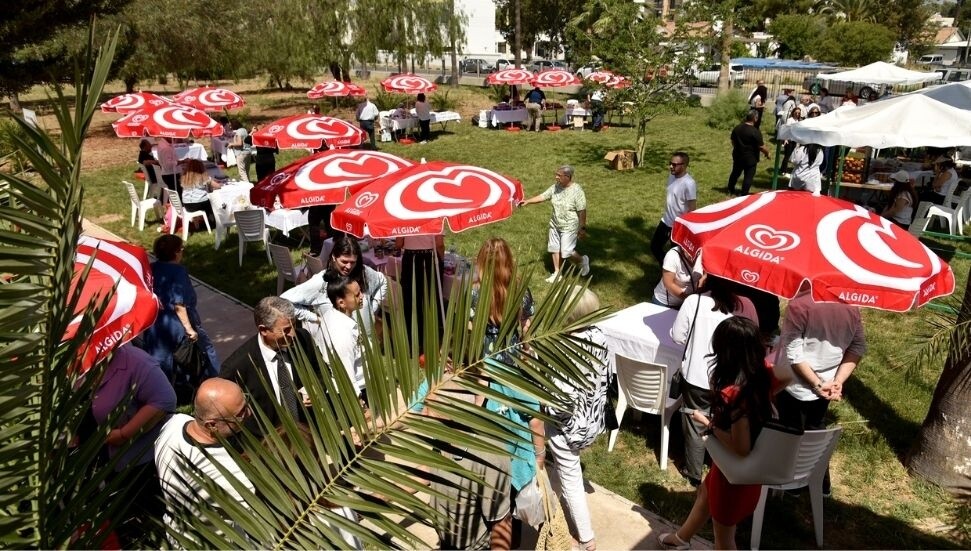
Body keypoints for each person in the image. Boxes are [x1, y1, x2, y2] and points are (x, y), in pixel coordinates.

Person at [659, 317, 775, 550]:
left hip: (731, 477)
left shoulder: (733, 395)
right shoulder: (763, 376)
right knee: (704, 493)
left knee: (723, 541)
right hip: (746, 471)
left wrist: (709, 424)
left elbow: (741, 448)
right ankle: (682, 539)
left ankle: (682, 539)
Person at [470, 237, 541, 548]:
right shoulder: (521, 293)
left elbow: (470, 339)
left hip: (487, 377)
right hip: (516, 375)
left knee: (489, 449)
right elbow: (528, 336)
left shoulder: (474, 296)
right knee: (520, 444)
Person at [774, 288, 866, 497]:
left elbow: (794, 353)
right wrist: (838, 381)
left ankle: (793, 486)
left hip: (795, 385)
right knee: (816, 429)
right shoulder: (850, 305)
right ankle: (820, 483)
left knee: (791, 434)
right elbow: (858, 346)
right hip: (827, 385)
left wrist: (817, 384)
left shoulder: (800, 305)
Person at [670, 275, 758, 486]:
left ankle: (693, 471)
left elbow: (678, 335)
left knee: (694, 423)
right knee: (727, 423)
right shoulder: (746, 304)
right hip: (734, 380)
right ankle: (719, 463)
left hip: (697, 375)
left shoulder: (695, 301)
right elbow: (753, 337)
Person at [90, 344, 176, 546]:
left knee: (150, 521)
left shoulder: (135, 362)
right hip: (105, 462)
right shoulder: (81, 363)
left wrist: (124, 434)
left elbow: (164, 400)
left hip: (141, 463)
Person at [544, 287, 609, 551]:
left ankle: (586, 538)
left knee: (571, 479)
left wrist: (542, 407)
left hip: (568, 426)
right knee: (567, 472)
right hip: (592, 418)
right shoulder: (598, 334)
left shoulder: (566, 348)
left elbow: (560, 400)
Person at [154, 378, 254, 544]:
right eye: (240, 413)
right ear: (212, 425)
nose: (249, 413)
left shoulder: (173, 425)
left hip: (177, 535)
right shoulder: (230, 475)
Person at [219, 297, 320, 434]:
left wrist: (315, 388)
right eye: (285, 330)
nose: (293, 334)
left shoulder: (303, 340)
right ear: (263, 330)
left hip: (309, 433)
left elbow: (321, 372)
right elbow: (229, 416)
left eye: (294, 325)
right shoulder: (237, 367)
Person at [141, 234, 220, 382]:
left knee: (159, 361)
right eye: (181, 249)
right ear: (176, 252)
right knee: (202, 352)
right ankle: (212, 383)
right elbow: (179, 305)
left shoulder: (151, 268)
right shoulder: (178, 272)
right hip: (176, 324)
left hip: (155, 323)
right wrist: (189, 329)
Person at [282, 235, 387, 337]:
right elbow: (284, 301)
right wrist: (314, 318)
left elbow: (382, 281)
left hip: (367, 340)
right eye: (344, 261)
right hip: (340, 343)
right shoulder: (321, 282)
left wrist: (373, 306)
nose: (349, 266)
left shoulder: (363, 273)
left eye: (353, 262)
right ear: (334, 257)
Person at [518, 165, 590, 281]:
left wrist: (582, 228)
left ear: (567, 177)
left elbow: (582, 210)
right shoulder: (556, 187)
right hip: (555, 224)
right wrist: (528, 201)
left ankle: (582, 261)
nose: (556, 177)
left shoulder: (577, 191)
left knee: (566, 251)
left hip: (569, 226)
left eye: (559, 175)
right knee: (554, 248)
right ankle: (557, 273)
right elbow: (543, 196)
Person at [318, 269, 366, 401]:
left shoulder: (335, 316)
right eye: (357, 295)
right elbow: (345, 371)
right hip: (353, 395)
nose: (362, 296)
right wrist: (360, 403)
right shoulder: (341, 332)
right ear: (341, 302)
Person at [395, 233, 445, 352]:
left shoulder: (404, 216)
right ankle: (430, 338)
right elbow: (439, 244)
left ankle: (411, 339)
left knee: (410, 300)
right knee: (430, 299)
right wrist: (441, 260)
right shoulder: (435, 215)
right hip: (429, 258)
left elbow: (398, 243)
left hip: (410, 258)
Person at [651, 152, 697, 264]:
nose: (671, 166)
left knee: (676, 257)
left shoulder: (689, 184)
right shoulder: (671, 175)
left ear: (684, 165)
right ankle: (665, 271)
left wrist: (687, 229)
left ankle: (673, 276)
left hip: (678, 226)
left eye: (675, 164)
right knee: (654, 247)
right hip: (666, 220)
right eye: (670, 163)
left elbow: (692, 209)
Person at [727, 111, 770, 196]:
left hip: (738, 155)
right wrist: (767, 153)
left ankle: (730, 189)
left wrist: (737, 148)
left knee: (735, 173)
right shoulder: (755, 131)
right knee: (748, 176)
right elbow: (761, 147)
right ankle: (744, 193)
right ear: (755, 118)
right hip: (750, 158)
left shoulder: (737, 128)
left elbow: (732, 140)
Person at [180, 158, 218, 227]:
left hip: (187, 205)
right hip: (199, 203)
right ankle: (213, 222)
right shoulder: (203, 177)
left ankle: (203, 221)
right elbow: (217, 186)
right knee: (212, 201)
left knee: (206, 200)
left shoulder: (184, 178)